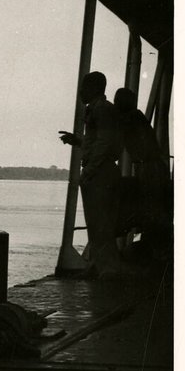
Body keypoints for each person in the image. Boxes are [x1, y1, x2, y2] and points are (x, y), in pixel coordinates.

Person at [59, 71, 126, 278]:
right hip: (101, 171)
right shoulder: (99, 109)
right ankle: (99, 266)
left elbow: (104, 145)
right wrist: (78, 141)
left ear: (94, 89)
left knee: (101, 224)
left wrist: (88, 171)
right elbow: (97, 142)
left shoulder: (102, 110)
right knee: (97, 224)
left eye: (83, 87)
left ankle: (108, 270)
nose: (80, 92)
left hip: (100, 173)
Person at [113, 86, 171, 257]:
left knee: (151, 208)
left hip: (149, 168)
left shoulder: (130, 118)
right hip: (150, 167)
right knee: (152, 208)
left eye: (117, 101)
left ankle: (156, 251)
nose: (115, 104)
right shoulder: (136, 117)